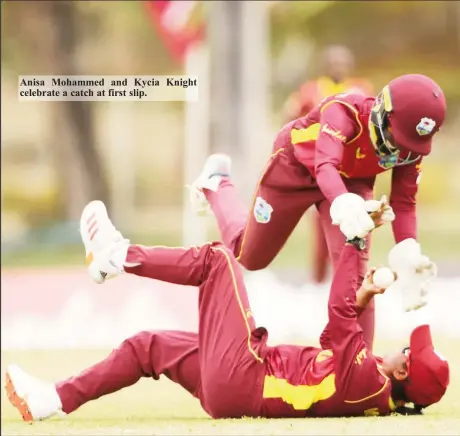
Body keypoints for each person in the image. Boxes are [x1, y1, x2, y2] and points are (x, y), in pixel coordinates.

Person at [5, 201, 449, 421]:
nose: (402, 348)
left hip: (246, 375)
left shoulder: (369, 383)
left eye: (408, 352)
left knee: (219, 260)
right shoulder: (371, 390)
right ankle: (52, 400)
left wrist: (355, 242)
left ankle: (116, 255)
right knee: (145, 348)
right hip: (234, 390)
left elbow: (338, 313)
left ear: (404, 371)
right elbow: (345, 328)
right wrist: (366, 294)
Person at [188, 73, 446, 351]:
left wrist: (407, 251)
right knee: (248, 256)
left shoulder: (411, 146)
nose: (399, 152)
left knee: (357, 280)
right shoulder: (343, 111)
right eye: (397, 140)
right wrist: (344, 203)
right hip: (296, 169)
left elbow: (405, 202)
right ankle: (217, 183)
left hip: (351, 182)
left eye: (408, 147)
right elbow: (325, 165)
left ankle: (360, 369)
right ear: (382, 111)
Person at [283, 44, 375, 284]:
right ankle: (318, 281)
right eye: (333, 63)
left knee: (356, 227)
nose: (338, 67)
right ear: (324, 66)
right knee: (322, 225)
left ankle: (350, 282)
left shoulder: (361, 88)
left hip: (353, 167)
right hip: (322, 164)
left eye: (342, 62)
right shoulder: (311, 90)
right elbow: (291, 117)